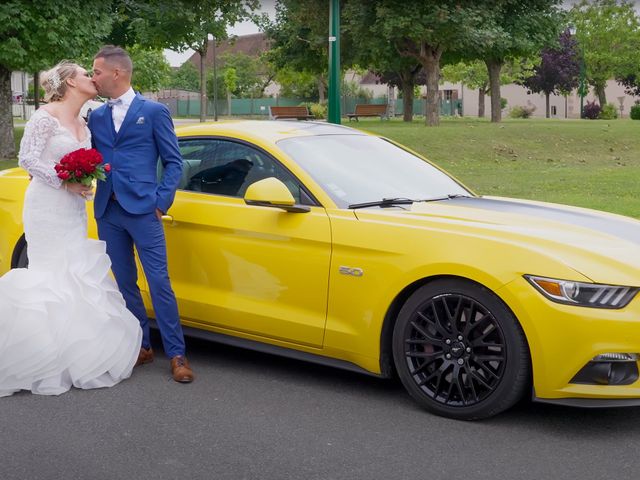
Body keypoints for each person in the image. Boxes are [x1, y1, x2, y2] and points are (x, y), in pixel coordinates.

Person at [0, 61, 143, 397]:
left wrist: (86, 179)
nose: (91, 78)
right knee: (49, 273)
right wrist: (65, 182)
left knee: (73, 270)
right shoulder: (44, 116)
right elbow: (27, 160)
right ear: (68, 82)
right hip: (47, 206)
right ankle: (35, 355)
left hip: (74, 209)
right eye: (84, 74)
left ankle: (70, 353)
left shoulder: (83, 118)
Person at [89, 45, 193, 383]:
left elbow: (174, 162)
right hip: (108, 210)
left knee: (159, 282)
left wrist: (161, 202)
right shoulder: (97, 116)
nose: (94, 77)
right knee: (125, 283)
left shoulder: (154, 111)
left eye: (97, 72)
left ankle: (177, 354)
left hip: (144, 210)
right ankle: (142, 346)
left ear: (116, 73)